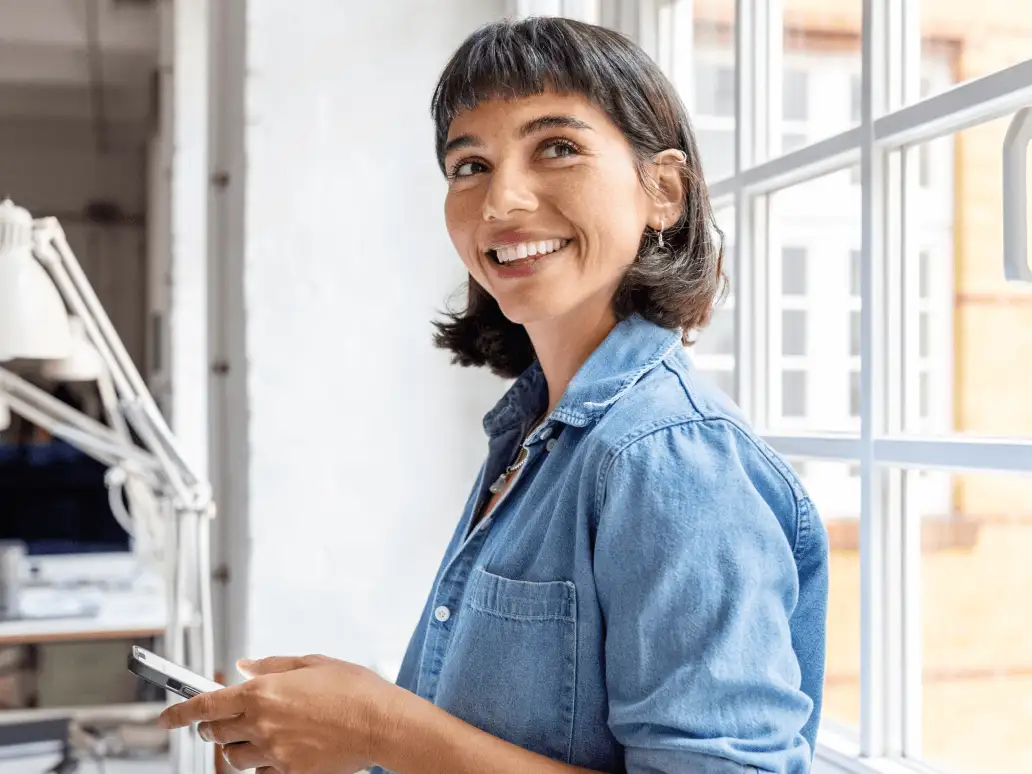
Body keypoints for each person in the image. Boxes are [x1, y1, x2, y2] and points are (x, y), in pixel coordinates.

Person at [159, 16, 829, 774]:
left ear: (663, 191)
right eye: (469, 164)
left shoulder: (669, 457)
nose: (500, 201)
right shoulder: (535, 433)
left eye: (557, 147)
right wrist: (332, 736)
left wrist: (380, 728)